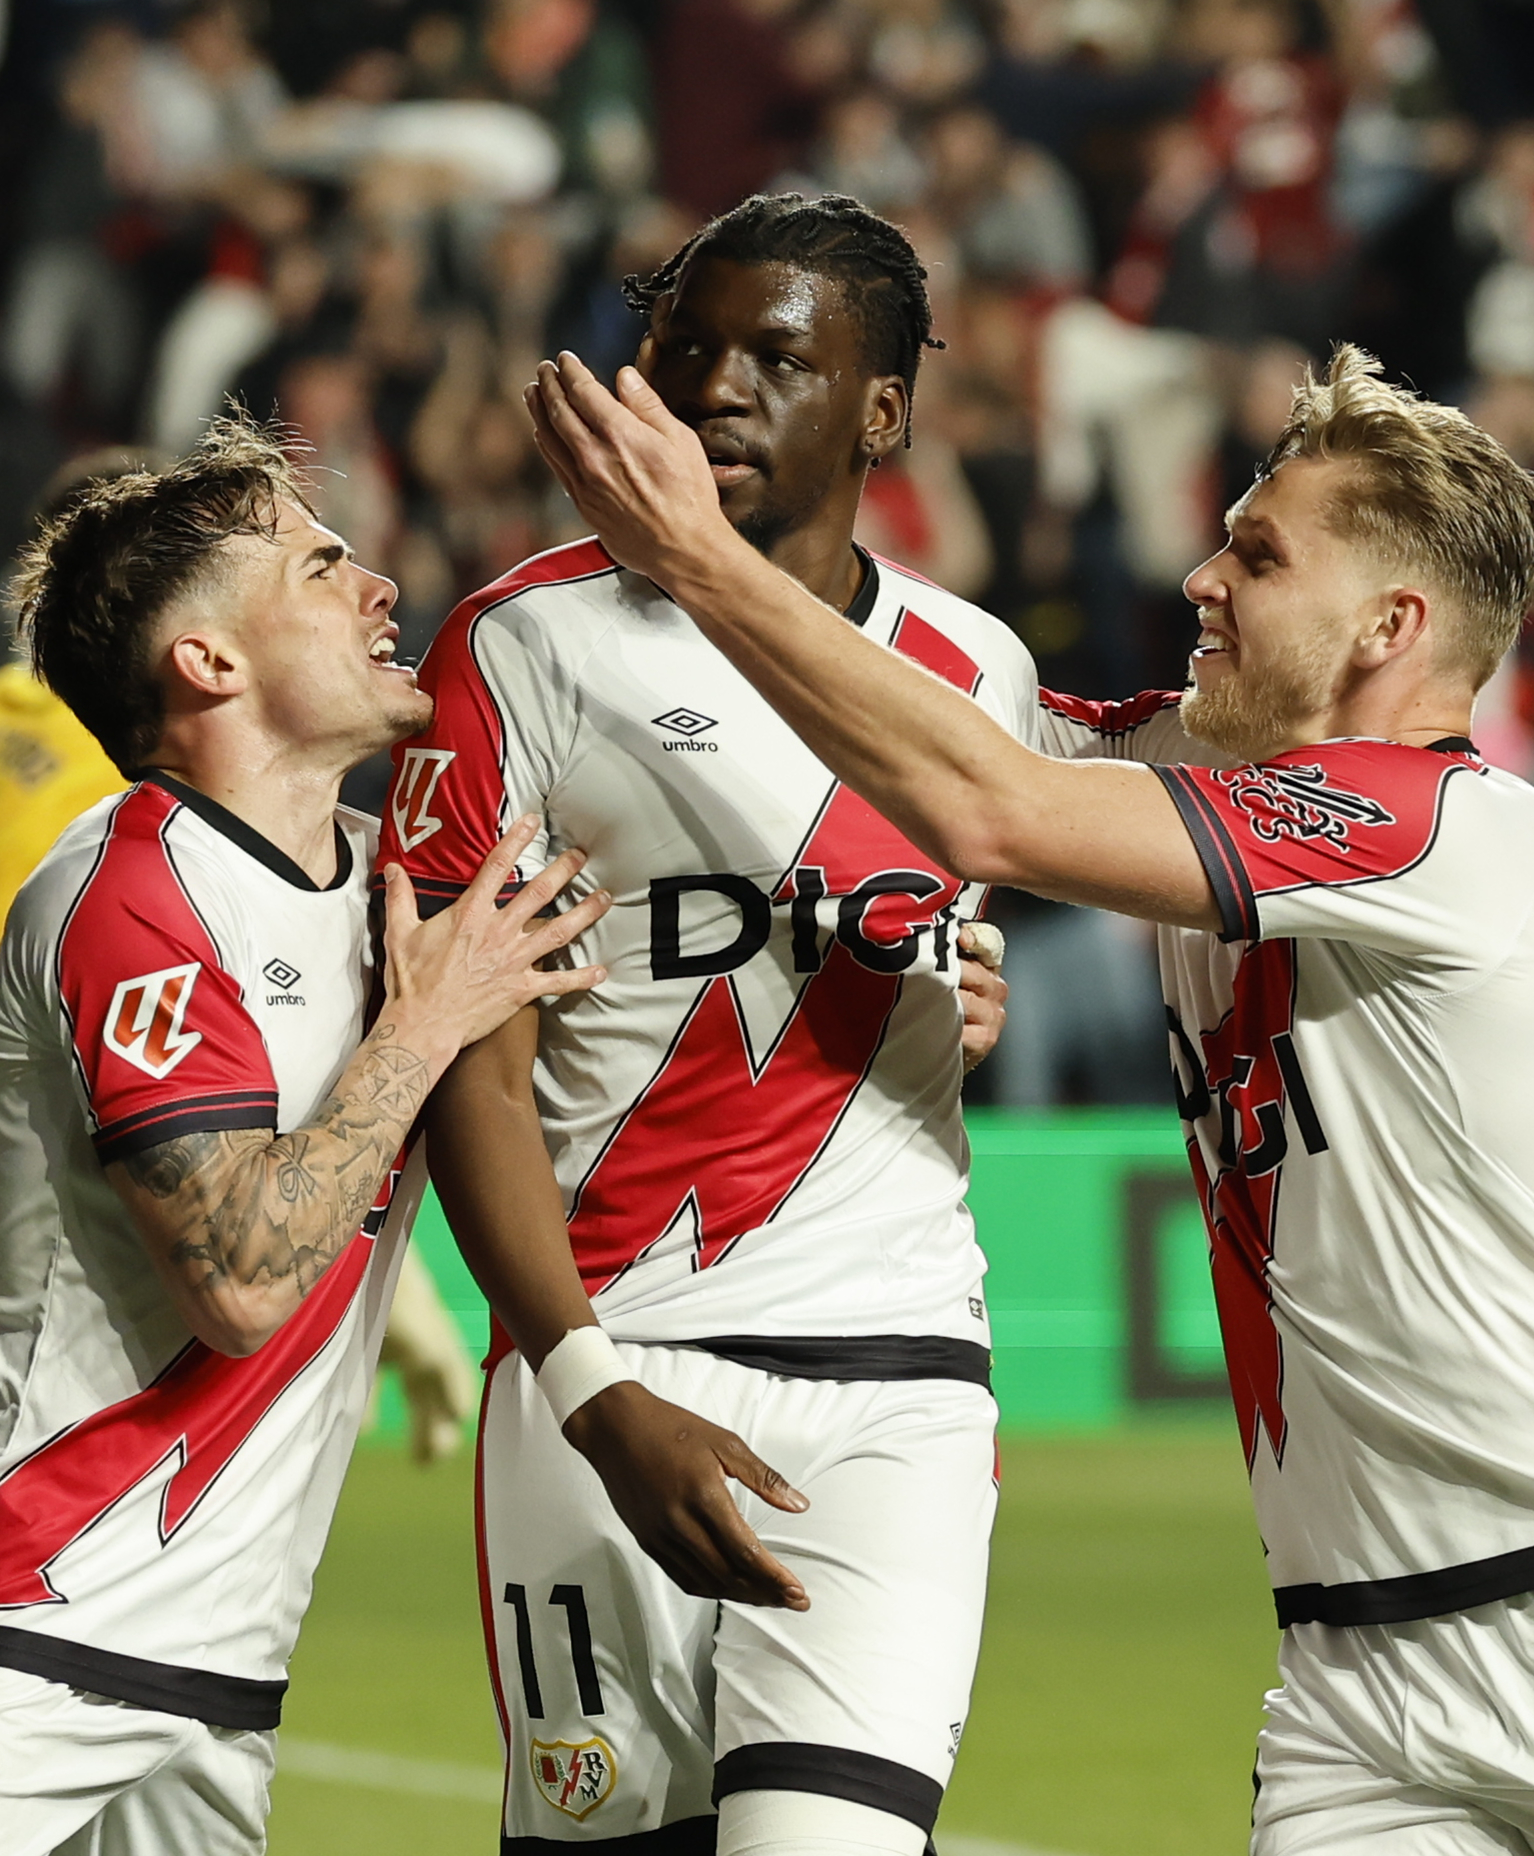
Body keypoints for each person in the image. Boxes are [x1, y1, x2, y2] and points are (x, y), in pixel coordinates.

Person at [526, 341, 1534, 1852]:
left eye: (1255, 554)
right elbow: (922, 706)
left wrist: (696, 552)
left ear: (1392, 624)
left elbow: (989, 799)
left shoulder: (1453, 827)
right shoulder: (1199, 772)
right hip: (1352, 1674)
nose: (1197, 575)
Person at [0, 416, 612, 1856]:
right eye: (320, 566)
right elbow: (238, 1281)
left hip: (219, 1677)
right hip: (19, 1626)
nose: (380, 587)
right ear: (207, 663)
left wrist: (912, 985)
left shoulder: (404, 887)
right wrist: (422, 1029)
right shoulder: (133, 898)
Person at [380, 193, 1023, 1855]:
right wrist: (589, 1388)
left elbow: (951, 926)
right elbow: (471, 1065)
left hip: (894, 1378)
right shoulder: (521, 646)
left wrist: (950, 986)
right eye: (684, 347)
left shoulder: (977, 671)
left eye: (776, 358)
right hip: (606, 1366)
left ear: (880, 409)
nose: (715, 386)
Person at [0, 461, 479, 1458]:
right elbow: (232, 1166)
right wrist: (405, 1302)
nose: (370, 586)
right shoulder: (136, 802)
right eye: (307, 565)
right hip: (51, 1216)